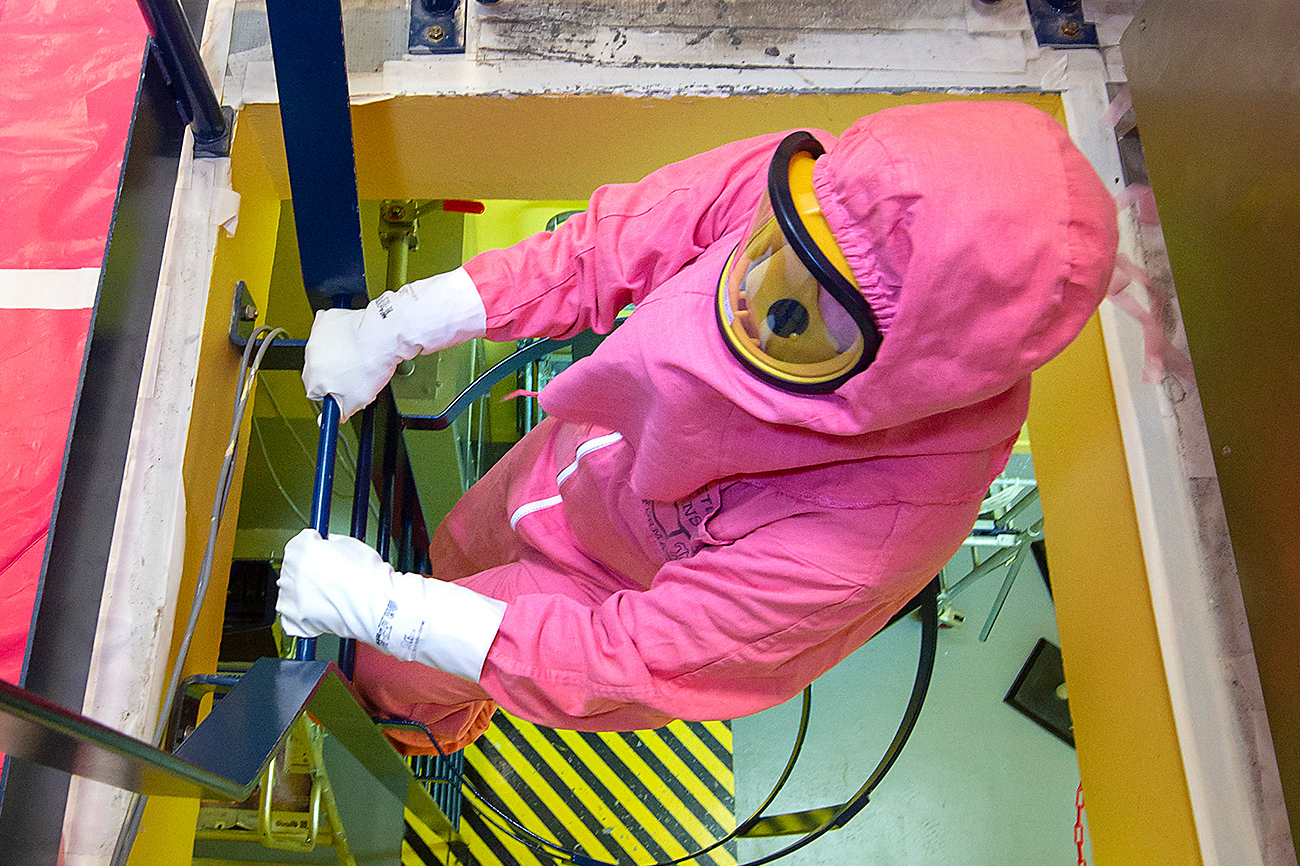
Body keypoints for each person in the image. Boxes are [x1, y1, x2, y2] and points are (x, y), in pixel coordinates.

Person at [276, 101, 1118, 755]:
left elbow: (630, 660)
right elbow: (608, 246)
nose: (755, 291)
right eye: (775, 245)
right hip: (574, 456)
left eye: (800, 312)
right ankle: (450, 644)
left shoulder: (878, 532)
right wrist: (399, 322)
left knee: (391, 670)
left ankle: (439, 721)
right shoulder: (826, 187)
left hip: (611, 591)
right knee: (459, 551)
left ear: (904, 366)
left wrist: (394, 617)